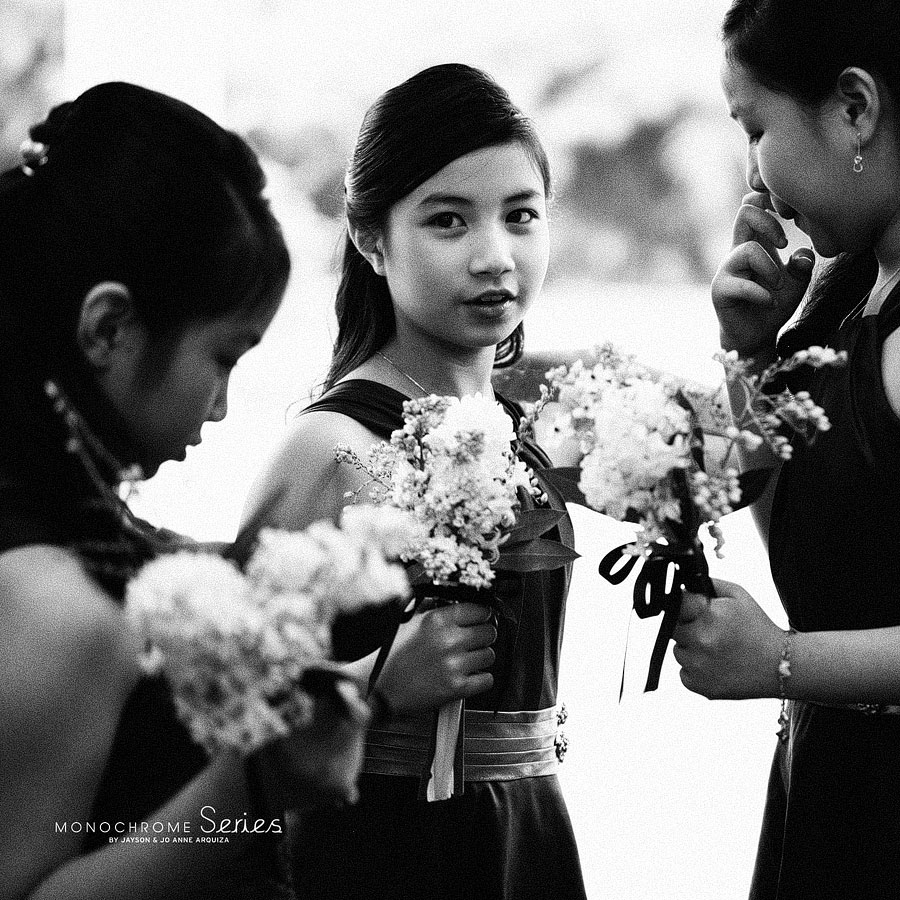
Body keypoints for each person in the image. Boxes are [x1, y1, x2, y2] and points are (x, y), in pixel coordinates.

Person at [0, 82, 370, 900]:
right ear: (109, 329)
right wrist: (257, 784)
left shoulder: (49, 513)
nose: (223, 405)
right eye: (224, 357)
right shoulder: (55, 606)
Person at [243, 63, 586, 900]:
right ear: (370, 239)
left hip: (527, 836)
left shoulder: (537, 425)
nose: (494, 256)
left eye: (521, 216)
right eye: (447, 220)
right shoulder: (328, 447)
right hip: (384, 849)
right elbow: (222, 705)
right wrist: (376, 687)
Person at [671, 2, 900, 897]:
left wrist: (780, 661)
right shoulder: (841, 290)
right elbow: (813, 541)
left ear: (854, 108)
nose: (755, 183)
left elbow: (805, 619)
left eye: (753, 126)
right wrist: (748, 352)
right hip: (833, 787)